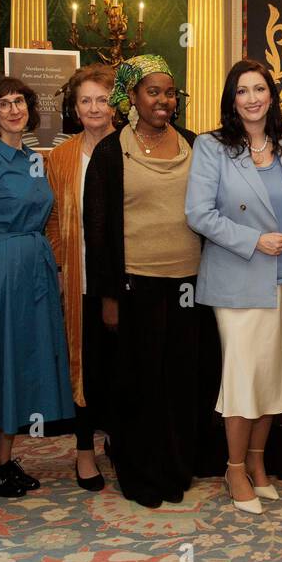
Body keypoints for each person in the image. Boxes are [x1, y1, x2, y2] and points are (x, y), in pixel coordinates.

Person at [186, 60, 282, 515]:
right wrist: (253, 240)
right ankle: (234, 466)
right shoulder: (212, 147)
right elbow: (198, 214)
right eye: (243, 91)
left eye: (260, 89)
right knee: (243, 379)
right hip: (237, 280)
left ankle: (258, 463)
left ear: (272, 96)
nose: (253, 98)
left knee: (274, 379)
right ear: (231, 99)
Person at [84, 54, 206, 509]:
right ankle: (138, 474)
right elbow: (96, 233)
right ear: (132, 96)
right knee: (138, 384)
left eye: (169, 92)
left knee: (179, 382)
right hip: (134, 285)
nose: (162, 100)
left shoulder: (196, 145)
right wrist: (108, 296)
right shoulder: (111, 151)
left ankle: (175, 469)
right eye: (152, 91)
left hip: (189, 286)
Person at [0, 77, 73, 497]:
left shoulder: (33, 158)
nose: (14, 109)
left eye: (19, 101)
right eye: (4, 104)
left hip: (35, 266)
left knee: (19, 363)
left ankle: (5, 459)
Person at [46, 63, 117, 493]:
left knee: (122, 364)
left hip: (126, 283)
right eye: (85, 100)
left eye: (102, 99)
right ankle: (84, 450)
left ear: (116, 105)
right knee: (85, 366)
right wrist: (58, 263)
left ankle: (121, 438)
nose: (94, 108)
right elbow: (52, 218)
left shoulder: (131, 148)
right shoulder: (62, 156)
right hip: (80, 279)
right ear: (75, 107)